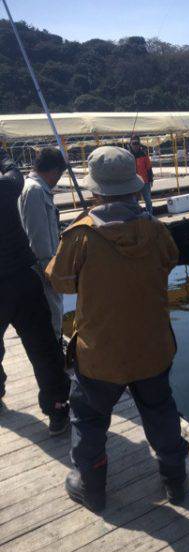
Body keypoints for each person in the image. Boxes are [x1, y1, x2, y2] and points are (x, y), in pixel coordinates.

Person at [46, 146, 189, 512]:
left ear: (95, 190)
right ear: (133, 186)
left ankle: (91, 488)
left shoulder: (80, 235)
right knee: (160, 411)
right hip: (152, 348)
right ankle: (176, 482)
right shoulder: (156, 231)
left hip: (101, 354)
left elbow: (60, 281)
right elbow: (169, 261)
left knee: (90, 420)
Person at [0, 148, 70, 433]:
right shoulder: (8, 185)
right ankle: (56, 408)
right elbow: (13, 174)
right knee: (43, 348)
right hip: (21, 277)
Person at [18, 147, 67, 341]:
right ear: (54, 171)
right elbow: (37, 237)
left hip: (44, 264)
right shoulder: (35, 190)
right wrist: (50, 270)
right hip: (44, 268)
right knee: (52, 316)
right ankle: (56, 357)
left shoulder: (31, 186)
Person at [129, 135, 153, 215]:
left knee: (148, 201)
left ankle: (150, 216)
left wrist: (151, 180)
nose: (135, 145)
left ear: (139, 144)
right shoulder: (128, 155)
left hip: (145, 182)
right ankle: (137, 217)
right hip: (133, 183)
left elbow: (149, 168)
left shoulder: (144, 154)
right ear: (130, 144)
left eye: (137, 143)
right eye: (133, 143)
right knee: (134, 202)